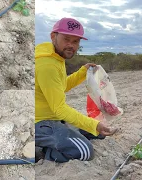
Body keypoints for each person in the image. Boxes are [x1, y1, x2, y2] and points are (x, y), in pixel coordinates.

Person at [35, 17, 117, 163]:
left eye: (75, 41)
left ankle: (59, 138)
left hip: (53, 118)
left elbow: (61, 87)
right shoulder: (47, 65)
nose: (71, 45)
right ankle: (41, 151)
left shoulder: (56, 58)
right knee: (85, 151)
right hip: (39, 123)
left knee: (98, 133)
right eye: (66, 39)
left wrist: (81, 73)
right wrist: (94, 124)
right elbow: (59, 109)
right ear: (54, 36)